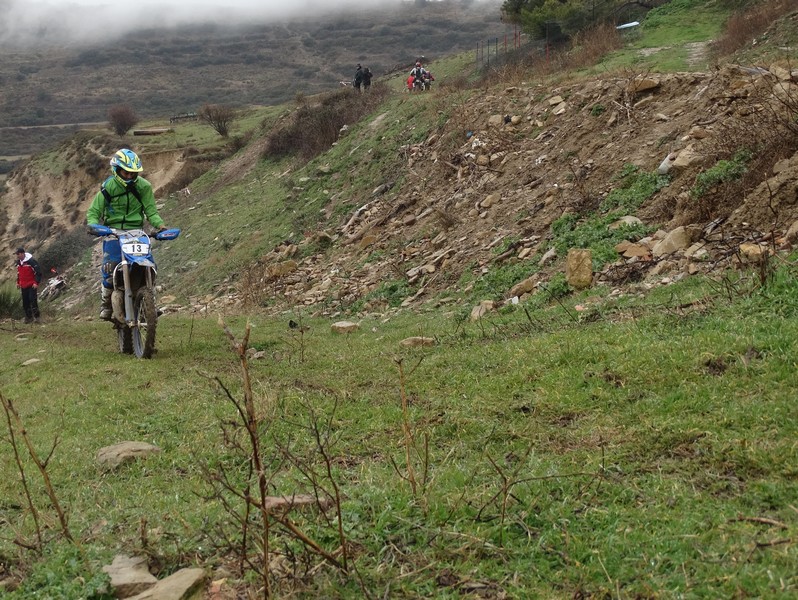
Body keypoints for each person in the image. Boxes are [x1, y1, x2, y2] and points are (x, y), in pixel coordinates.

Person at [86, 148, 168, 320]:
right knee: (110, 267)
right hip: (113, 232)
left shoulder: (144, 187)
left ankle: (150, 301)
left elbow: (151, 211)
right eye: (126, 172)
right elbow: (94, 211)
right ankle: (106, 303)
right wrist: (94, 225)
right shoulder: (108, 186)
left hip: (136, 232)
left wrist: (160, 226)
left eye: (133, 173)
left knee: (149, 265)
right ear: (116, 170)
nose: (130, 176)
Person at [15, 247, 42, 324]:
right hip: (23, 285)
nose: (17, 255)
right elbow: (18, 274)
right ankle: (29, 318)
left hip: (31, 285)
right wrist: (18, 282)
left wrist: (36, 282)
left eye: (18, 254)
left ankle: (37, 318)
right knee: (25, 302)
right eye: (16, 254)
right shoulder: (18, 263)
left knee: (33, 300)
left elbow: (38, 272)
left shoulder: (31, 261)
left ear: (23, 253)